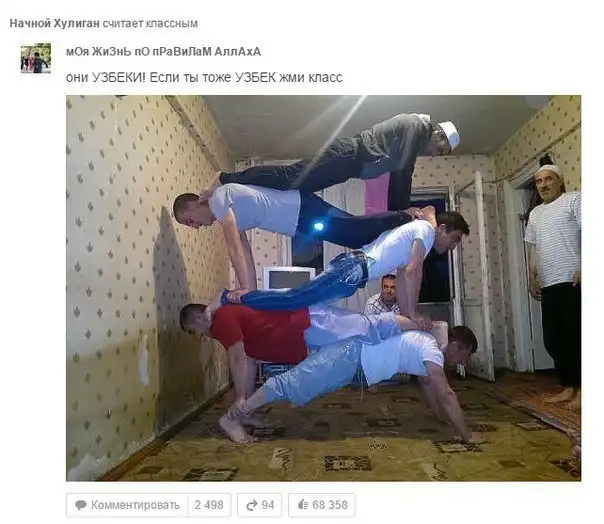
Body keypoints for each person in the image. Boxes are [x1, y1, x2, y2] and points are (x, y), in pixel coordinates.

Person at [179, 295, 432, 430]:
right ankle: (246, 415)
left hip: (306, 323)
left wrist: (239, 399)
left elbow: (238, 358)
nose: (197, 336)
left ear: (199, 318)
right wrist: (243, 402)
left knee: (365, 325)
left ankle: (422, 325)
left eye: (193, 331)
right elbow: (250, 361)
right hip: (303, 329)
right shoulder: (222, 324)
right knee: (361, 335)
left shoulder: (221, 319)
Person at [218, 323, 478, 444]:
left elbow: (430, 388)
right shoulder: (432, 350)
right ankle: (231, 418)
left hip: (353, 362)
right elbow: (446, 393)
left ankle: (243, 412)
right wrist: (466, 435)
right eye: (464, 357)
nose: (461, 363)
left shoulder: (426, 345)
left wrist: (443, 418)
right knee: (292, 383)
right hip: (350, 356)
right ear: (456, 346)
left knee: (297, 384)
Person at [219, 210, 470, 328]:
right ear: (442, 229)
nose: (453, 246)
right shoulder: (426, 232)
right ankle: (232, 298)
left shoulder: (420, 234)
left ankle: (239, 301)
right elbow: (414, 272)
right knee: (294, 299)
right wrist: (413, 314)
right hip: (352, 270)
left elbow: (405, 276)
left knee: (301, 305)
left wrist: (408, 313)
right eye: (455, 239)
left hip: (353, 272)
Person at [173, 184, 430, 292]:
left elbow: (233, 249)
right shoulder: (226, 208)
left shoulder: (218, 200)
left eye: (189, 220)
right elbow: (244, 250)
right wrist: (249, 291)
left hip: (301, 211)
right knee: (355, 232)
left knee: (355, 233)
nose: (194, 227)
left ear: (194, 204)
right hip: (301, 215)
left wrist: (245, 290)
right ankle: (404, 222)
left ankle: (409, 215)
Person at [199, 114, 460, 212]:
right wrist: (402, 211)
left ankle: (240, 187)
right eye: (441, 149)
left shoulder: (416, 131)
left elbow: (400, 169)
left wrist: (399, 211)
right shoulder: (417, 126)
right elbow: (404, 170)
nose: (436, 154)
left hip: (349, 164)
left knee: (294, 186)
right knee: (290, 177)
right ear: (438, 134)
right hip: (349, 155)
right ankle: (225, 178)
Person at [525, 164, 581, 410]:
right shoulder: (535, 213)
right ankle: (568, 387)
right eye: (539, 181)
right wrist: (531, 276)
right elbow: (533, 247)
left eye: (548, 179)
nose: (543, 185)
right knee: (554, 340)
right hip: (548, 283)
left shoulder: (574, 200)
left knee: (576, 336)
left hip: (573, 280)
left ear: (560, 181)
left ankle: (584, 390)